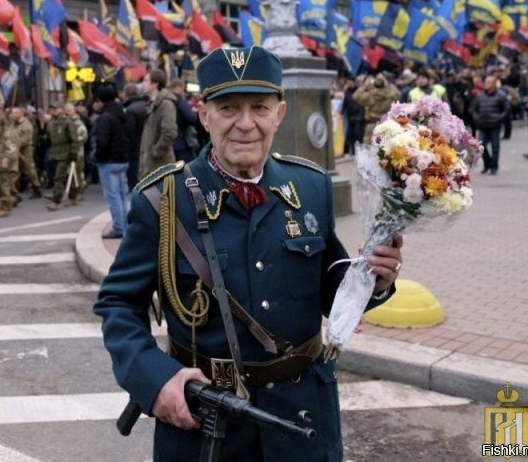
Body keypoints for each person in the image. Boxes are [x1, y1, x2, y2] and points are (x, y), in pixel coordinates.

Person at [94, 46, 403, 461]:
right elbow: (118, 303)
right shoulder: (161, 200)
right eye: (228, 108)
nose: (245, 124)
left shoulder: (310, 187)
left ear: (279, 113)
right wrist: (156, 380)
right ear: (203, 114)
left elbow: (330, 291)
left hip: (304, 419)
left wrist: (374, 279)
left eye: (259, 107)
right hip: (205, 423)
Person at [93, 83, 130, 239]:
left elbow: (102, 142)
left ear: (102, 101)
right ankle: (126, 226)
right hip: (122, 158)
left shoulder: (105, 118)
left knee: (113, 196)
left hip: (108, 160)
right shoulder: (122, 113)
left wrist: (97, 156)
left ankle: (118, 227)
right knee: (122, 195)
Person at [139, 69, 178, 179]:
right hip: (152, 165)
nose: (143, 84)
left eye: (146, 80)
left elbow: (169, 132)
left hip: (160, 166)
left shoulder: (166, 104)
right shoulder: (152, 104)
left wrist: (156, 152)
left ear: (155, 83)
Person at [470, 75, 509, 175]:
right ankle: (487, 165)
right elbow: (473, 109)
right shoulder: (480, 96)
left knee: (495, 147)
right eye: (485, 82)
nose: (486, 84)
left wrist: (499, 118)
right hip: (482, 125)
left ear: (494, 84)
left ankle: (494, 167)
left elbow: (507, 109)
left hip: (494, 125)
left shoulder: (500, 95)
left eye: (489, 82)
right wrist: (476, 118)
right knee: (481, 147)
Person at [0, 102, 20, 218]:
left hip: (5, 158)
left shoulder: (6, 125)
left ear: (1, 111)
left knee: (4, 184)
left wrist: (7, 159)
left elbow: (11, 144)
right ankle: (12, 198)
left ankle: (5, 208)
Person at [46, 103, 81, 210]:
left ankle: (56, 200)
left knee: (59, 177)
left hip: (65, 153)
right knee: (66, 176)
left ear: (62, 109)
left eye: (56, 108)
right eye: (52, 108)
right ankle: (73, 195)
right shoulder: (51, 123)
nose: (53, 110)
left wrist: (73, 153)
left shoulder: (67, 122)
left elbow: (74, 139)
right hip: (55, 153)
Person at [353, 73, 400, 144]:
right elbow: (397, 94)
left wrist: (365, 86)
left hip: (371, 125)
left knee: (369, 148)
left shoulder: (369, 96)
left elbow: (355, 96)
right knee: (384, 147)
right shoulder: (390, 95)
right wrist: (388, 85)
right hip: (386, 125)